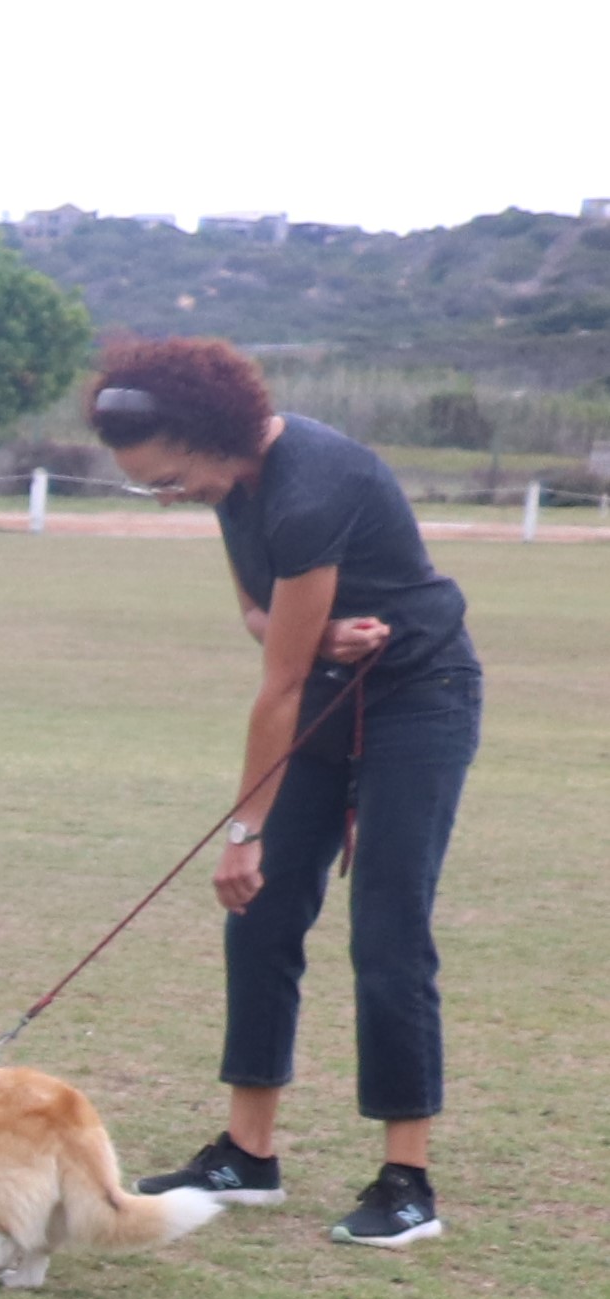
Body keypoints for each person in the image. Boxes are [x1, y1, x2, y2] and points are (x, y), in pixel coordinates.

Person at [92, 336, 478, 1249]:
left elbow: (279, 685)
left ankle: (406, 1181)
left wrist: (242, 832)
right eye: (149, 488)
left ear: (209, 435)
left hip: (418, 700)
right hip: (328, 694)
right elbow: (259, 619)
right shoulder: (233, 483)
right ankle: (246, 1155)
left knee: (387, 930)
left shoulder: (311, 488)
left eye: (168, 478)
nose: (167, 496)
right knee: (261, 916)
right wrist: (318, 633)